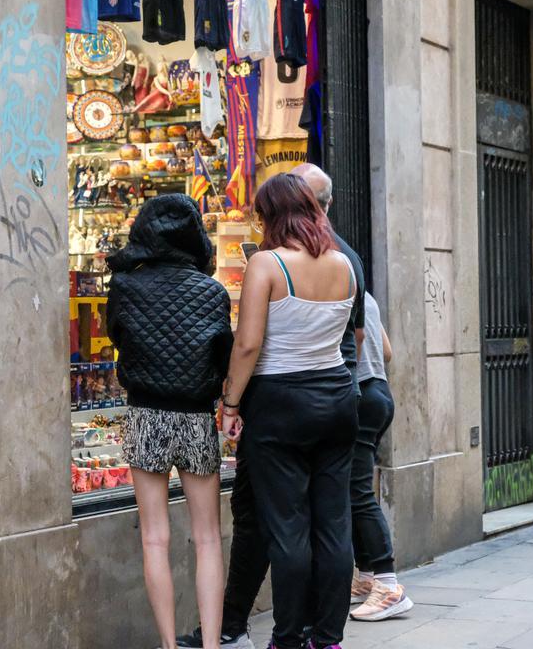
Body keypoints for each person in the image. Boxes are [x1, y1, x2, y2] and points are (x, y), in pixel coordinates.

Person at [180, 164, 366, 649]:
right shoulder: (344, 264)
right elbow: (350, 336)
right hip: (338, 397)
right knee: (333, 523)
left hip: (281, 401)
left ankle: (285, 638)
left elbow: (247, 346)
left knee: (286, 528)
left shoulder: (268, 263)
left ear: (273, 215)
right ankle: (326, 637)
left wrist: (230, 404)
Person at [106, 194, 235, 649]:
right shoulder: (213, 291)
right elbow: (224, 357)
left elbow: (115, 335)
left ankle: (167, 644)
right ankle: (213, 644)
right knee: (208, 540)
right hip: (197, 418)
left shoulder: (125, 285)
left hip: (147, 414)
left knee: (155, 539)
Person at [348, 292, 412, 620]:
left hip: (359, 395)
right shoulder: (365, 293)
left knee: (358, 493)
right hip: (379, 393)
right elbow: (386, 351)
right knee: (352, 490)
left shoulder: (334, 282)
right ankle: (365, 576)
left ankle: (388, 584)